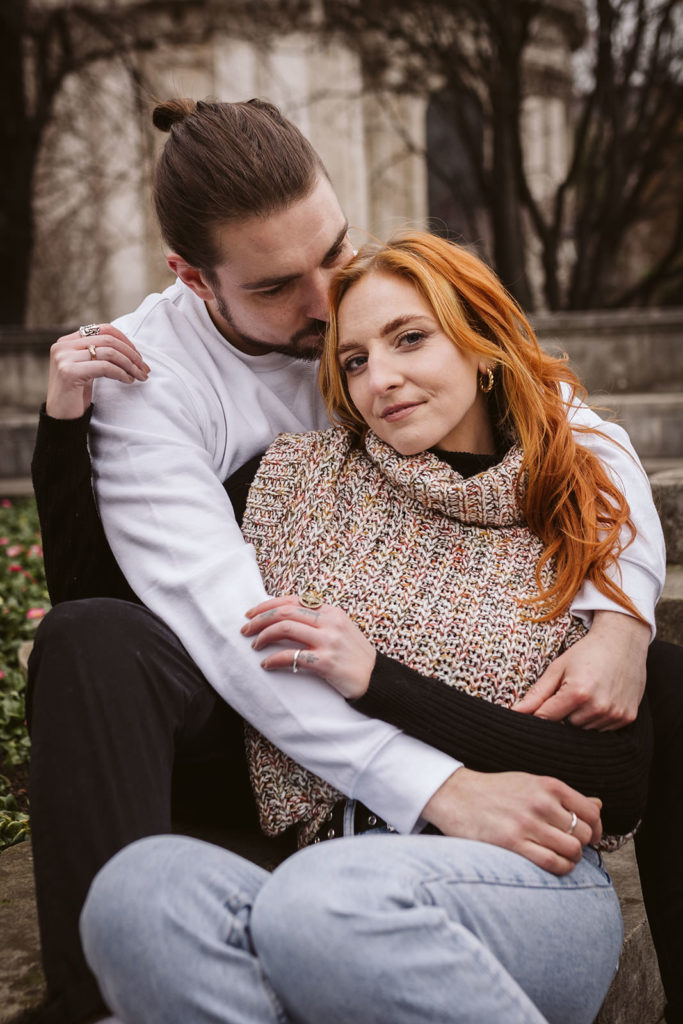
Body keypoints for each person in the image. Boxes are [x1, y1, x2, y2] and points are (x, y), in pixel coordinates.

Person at [27, 97, 679, 1024]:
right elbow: (236, 633)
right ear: (191, 277)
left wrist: (622, 612)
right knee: (108, 727)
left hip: (465, 799)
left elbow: (580, 436)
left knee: (660, 675)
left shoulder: (425, 352)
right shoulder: (156, 385)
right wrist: (434, 783)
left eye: (335, 251)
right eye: (276, 287)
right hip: (256, 707)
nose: (329, 306)